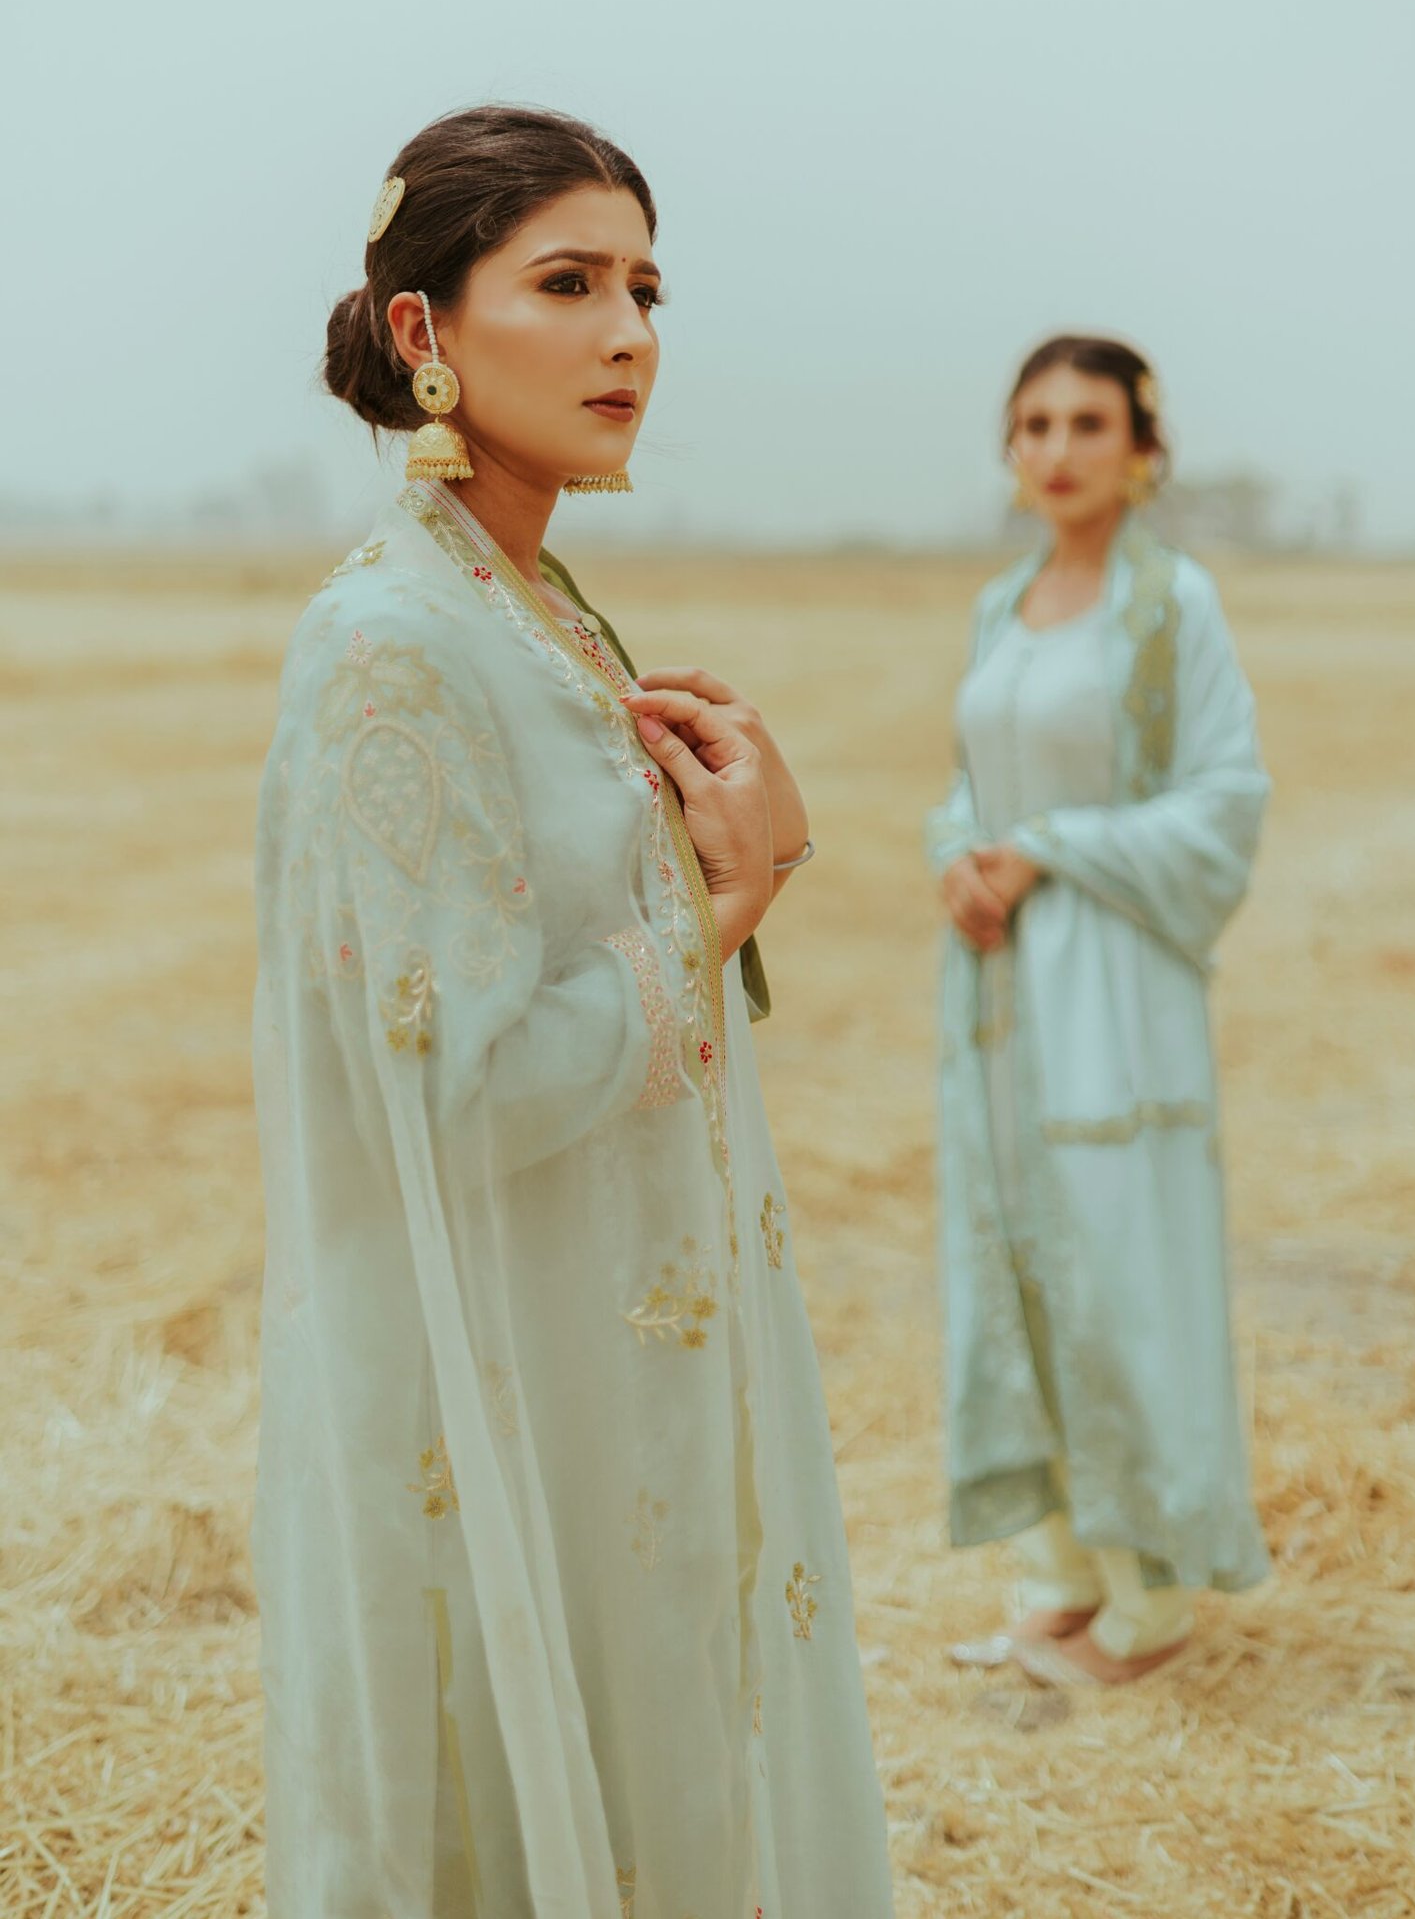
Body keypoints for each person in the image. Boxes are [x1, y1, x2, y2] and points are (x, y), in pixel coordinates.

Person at [251, 104, 894, 1916]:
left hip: (614, 1338)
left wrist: (723, 844)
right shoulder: (394, 643)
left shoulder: (539, 607)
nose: (629, 334)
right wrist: (732, 895)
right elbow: (448, 1086)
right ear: (423, 333)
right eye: (567, 281)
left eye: (645, 286)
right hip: (494, 1391)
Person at [928, 335, 1271, 1688]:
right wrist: (957, 849)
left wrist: (1050, 847)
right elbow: (967, 776)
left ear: (1144, 451)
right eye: (1033, 423)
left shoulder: (1170, 606)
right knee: (1018, 1253)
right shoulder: (997, 608)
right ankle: (1058, 1570)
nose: (1057, 446)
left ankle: (1152, 1595)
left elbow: (1223, 800)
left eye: (1087, 422)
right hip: (999, 987)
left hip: (1116, 985)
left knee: (1124, 1261)